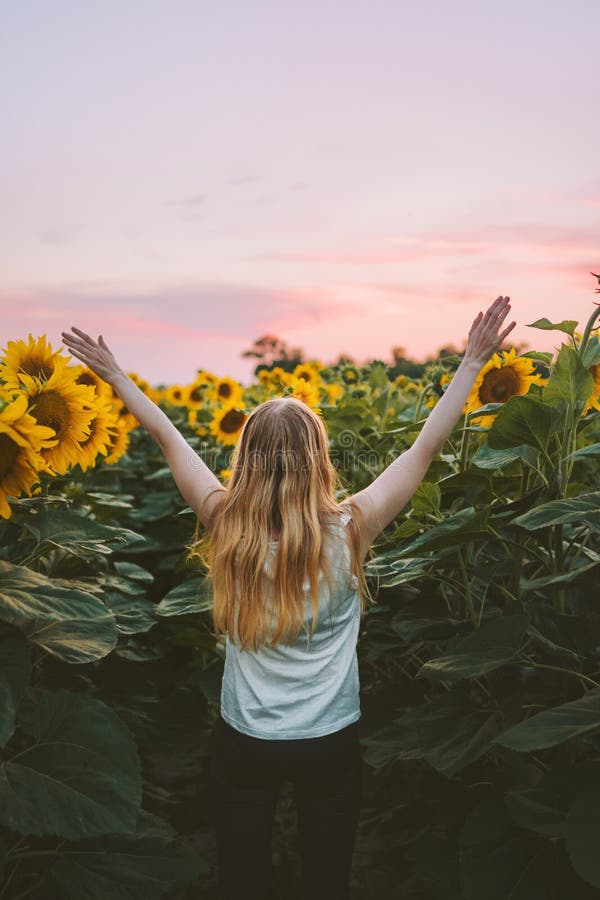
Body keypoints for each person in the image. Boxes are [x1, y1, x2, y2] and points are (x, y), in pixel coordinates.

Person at [60, 295, 515, 899]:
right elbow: (422, 450)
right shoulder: (352, 528)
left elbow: (170, 439)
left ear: (245, 459)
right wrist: (471, 364)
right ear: (317, 460)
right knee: (326, 878)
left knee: (244, 879)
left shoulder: (227, 523)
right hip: (329, 740)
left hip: (245, 739)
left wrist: (116, 377)